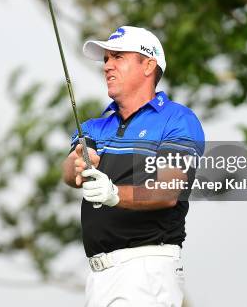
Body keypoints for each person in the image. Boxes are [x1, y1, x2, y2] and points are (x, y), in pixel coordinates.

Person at [62, 26, 205, 307]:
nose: (107, 67)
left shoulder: (176, 120)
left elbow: (168, 191)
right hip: (98, 276)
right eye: (106, 60)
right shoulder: (95, 126)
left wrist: (114, 194)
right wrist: (77, 163)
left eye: (118, 57)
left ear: (148, 65)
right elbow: (70, 173)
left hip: (147, 268)